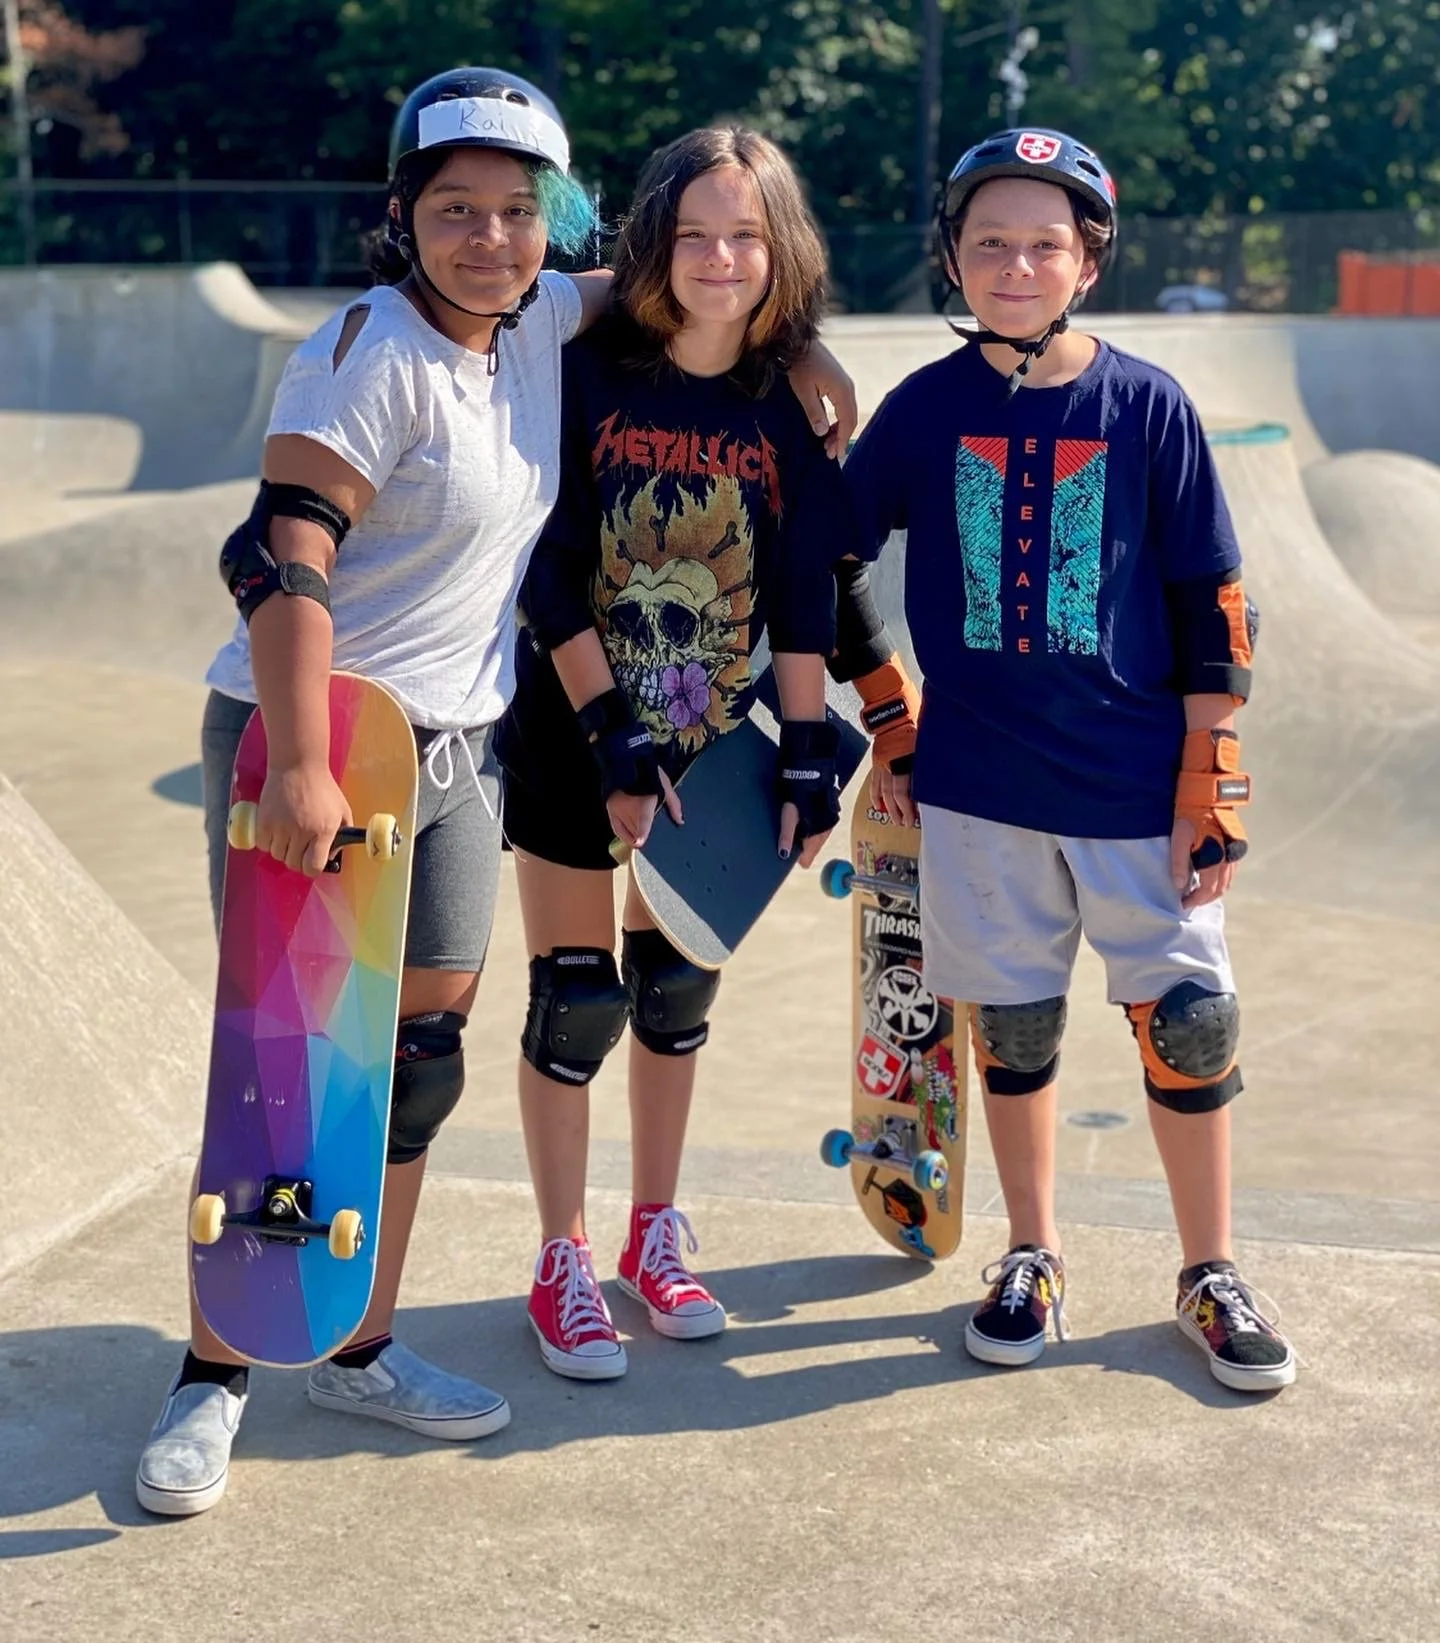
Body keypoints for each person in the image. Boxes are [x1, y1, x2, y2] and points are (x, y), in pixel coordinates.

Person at [134, 67, 861, 1518]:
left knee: (413, 1062)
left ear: (554, 225)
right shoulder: (366, 350)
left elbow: (695, 295)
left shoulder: (548, 318)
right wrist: (302, 758)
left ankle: (360, 1336)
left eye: (517, 211)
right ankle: (214, 1369)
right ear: (401, 218)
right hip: (320, 732)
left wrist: (807, 365)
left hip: (455, 748)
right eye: (453, 209)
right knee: (291, 1062)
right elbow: (281, 554)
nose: (489, 237)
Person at [843, 127, 1296, 1392]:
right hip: (981, 786)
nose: (1016, 262)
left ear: (1087, 261)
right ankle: (1032, 1249)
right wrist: (888, 710)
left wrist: (1211, 770)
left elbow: (1213, 590)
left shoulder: (1148, 404)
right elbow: (827, 554)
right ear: (955, 256)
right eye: (989, 241)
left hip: (1136, 785)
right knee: (1016, 1028)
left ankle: (1208, 1267)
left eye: (1045, 242)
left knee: (1192, 1026)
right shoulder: (925, 409)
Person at [495, 126, 916, 1379]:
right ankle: (559, 1253)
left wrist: (802, 747)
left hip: (715, 741)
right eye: (693, 234)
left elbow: (803, 584)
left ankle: (652, 1232)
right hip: (578, 728)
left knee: (676, 1000)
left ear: (781, 249)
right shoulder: (586, 371)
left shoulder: (790, 402)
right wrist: (610, 734)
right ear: (654, 243)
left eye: (745, 235)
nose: (719, 258)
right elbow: (547, 567)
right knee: (577, 999)